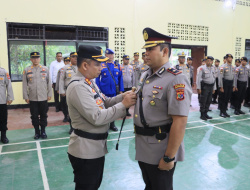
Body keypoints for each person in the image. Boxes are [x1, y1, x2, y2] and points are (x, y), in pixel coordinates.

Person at [67, 45, 136, 190]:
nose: (101, 67)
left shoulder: (89, 82)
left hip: (94, 148)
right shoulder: (78, 87)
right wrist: (123, 105)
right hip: (85, 150)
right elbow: (97, 117)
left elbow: (105, 102)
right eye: (98, 64)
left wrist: (122, 97)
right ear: (85, 65)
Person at [134, 27, 192, 190]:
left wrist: (168, 158)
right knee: (150, 185)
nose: (146, 53)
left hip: (161, 149)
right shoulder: (146, 75)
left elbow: (179, 122)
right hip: (144, 146)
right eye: (145, 49)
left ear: (165, 51)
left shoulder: (176, 79)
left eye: (150, 49)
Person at [23, 52, 52, 139]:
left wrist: (49, 94)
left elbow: (49, 83)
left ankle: (43, 131)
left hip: (43, 97)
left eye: (37, 58)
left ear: (39, 59)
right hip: (32, 98)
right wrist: (26, 96)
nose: (35, 59)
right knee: (34, 116)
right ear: (31, 59)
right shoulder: (27, 70)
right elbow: (24, 84)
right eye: (33, 58)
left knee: (44, 115)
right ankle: (36, 132)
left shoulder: (45, 69)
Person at [96, 48, 124, 131]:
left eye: (112, 54)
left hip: (114, 92)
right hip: (104, 91)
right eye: (109, 54)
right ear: (106, 55)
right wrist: (98, 90)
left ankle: (112, 124)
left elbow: (120, 78)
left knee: (113, 109)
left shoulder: (117, 65)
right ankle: (104, 125)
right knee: (103, 109)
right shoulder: (101, 65)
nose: (111, 56)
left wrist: (121, 90)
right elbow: (97, 79)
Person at [59, 52, 78, 134]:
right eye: (73, 57)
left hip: (79, 91)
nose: (75, 58)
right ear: (70, 58)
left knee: (80, 110)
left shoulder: (82, 67)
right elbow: (61, 80)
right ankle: (72, 127)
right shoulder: (65, 68)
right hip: (68, 92)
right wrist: (62, 91)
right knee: (70, 110)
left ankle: (79, 127)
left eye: (77, 57)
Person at [196, 56, 216, 120]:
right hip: (205, 86)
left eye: (210, 61)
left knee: (209, 100)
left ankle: (206, 113)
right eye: (208, 60)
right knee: (203, 101)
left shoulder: (213, 68)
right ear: (206, 61)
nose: (209, 62)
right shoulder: (202, 68)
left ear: (212, 61)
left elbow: (214, 78)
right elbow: (198, 79)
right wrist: (198, 88)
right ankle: (202, 115)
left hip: (211, 86)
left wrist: (214, 88)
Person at [218, 53, 235, 118]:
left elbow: (233, 77)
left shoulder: (232, 67)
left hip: (230, 83)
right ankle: (221, 112)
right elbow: (220, 77)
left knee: (227, 98)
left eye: (231, 58)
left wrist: (233, 86)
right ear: (226, 59)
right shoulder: (223, 67)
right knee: (223, 98)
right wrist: (221, 87)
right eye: (229, 58)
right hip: (225, 83)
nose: (230, 59)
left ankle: (225, 111)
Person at [0, 67, 14, 144]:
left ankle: (3, 136)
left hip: (2, 100)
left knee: (3, 119)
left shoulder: (3, 72)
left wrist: (10, 97)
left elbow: (9, 85)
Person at [56, 57, 70, 122]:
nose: (68, 62)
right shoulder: (61, 70)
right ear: (64, 62)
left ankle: (70, 117)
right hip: (63, 90)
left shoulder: (75, 69)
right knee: (64, 104)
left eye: (69, 61)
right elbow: (58, 80)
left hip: (71, 90)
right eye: (66, 61)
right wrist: (58, 89)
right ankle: (65, 116)